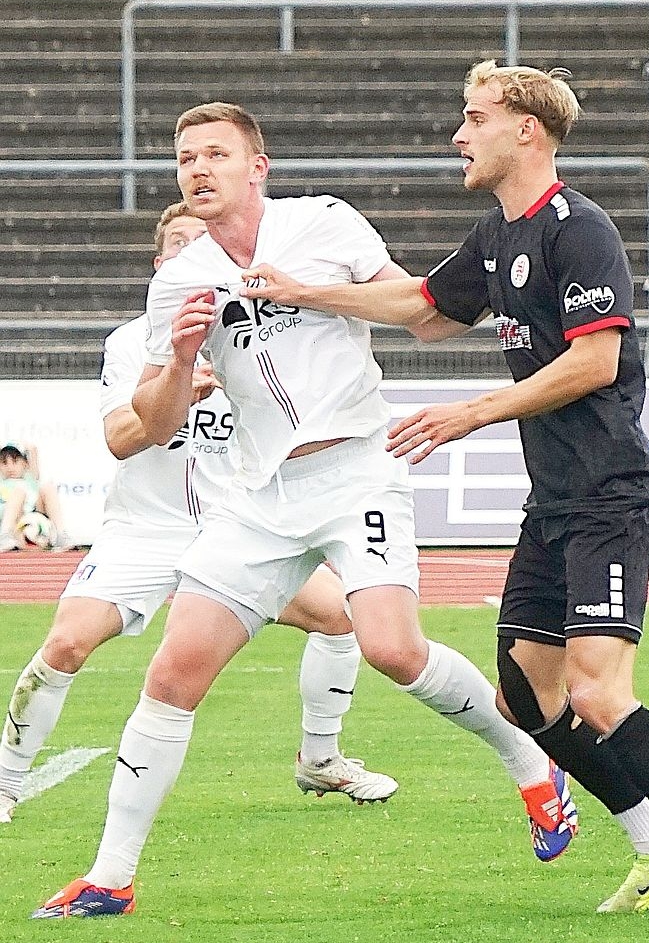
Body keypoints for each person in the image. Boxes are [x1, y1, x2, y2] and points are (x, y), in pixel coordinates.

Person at [235, 64, 649, 927]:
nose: (459, 135)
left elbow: (596, 362)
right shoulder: (495, 234)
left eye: (475, 119)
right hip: (554, 503)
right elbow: (425, 308)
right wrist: (305, 292)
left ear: (526, 130)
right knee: (522, 694)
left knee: (597, 691)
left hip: (611, 494)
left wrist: (469, 413)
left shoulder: (580, 230)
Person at [35, 102, 575, 922]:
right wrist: (179, 361)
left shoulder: (322, 221)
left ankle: (531, 763)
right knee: (173, 674)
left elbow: (417, 308)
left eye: (216, 154)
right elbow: (152, 423)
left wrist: (310, 293)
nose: (198, 169)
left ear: (258, 166)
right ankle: (112, 877)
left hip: (356, 472)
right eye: (186, 158)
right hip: (258, 497)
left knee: (393, 650)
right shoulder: (178, 281)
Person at [1, 204, 394, 827]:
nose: (199, 256)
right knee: (67, 642)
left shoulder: (263, 334)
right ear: (162, 267)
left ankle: (321, 758)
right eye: (183, 247)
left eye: (208, 243)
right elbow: (120, 439)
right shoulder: (132, 343)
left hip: (233, 522)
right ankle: (5, 780)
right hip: (145, 529)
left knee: (340, 618)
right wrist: (178, 388)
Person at [0, 442, 66, 551]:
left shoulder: (30, 478)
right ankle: (4, 536)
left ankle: (61, 535)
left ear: (25, 464)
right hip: (12, 523)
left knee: (48, 487)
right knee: (19, 493)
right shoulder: (2, 481)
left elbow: (32, 449)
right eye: (4, 463)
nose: (10, 467)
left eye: (15, 461)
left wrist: (21, 445)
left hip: (34, 519)